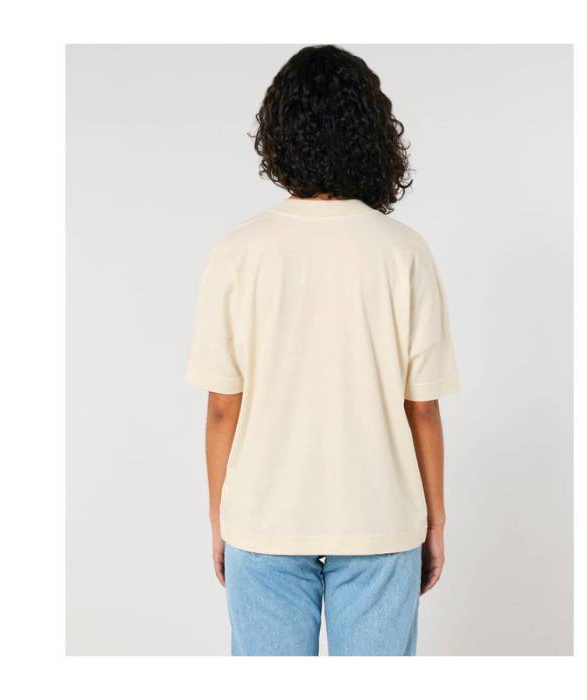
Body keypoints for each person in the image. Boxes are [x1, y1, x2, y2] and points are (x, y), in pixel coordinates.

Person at [186, 45, 459, 656]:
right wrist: (434, 520)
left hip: (264, 518)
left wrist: (220, 518)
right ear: (373, 135)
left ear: (278, 135)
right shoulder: (403, 251)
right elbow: (422, 407)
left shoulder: (239, 251)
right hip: (380, 518)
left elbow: (223, 406)